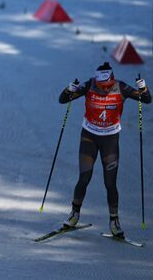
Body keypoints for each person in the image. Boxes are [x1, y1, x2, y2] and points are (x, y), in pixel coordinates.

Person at [59, 62, 151, 237]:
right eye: (101, 86)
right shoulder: (89, 85)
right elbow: (63, 100)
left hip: (110, 139)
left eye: (107, 86)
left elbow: (146, 100)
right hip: (89, 137)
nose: (105, 89)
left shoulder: (121, 87)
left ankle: (114, 221)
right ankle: (74, 214)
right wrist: (69, 89)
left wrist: (144, 88)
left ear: (112, 80)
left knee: (110, 183)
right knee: (84, 178)